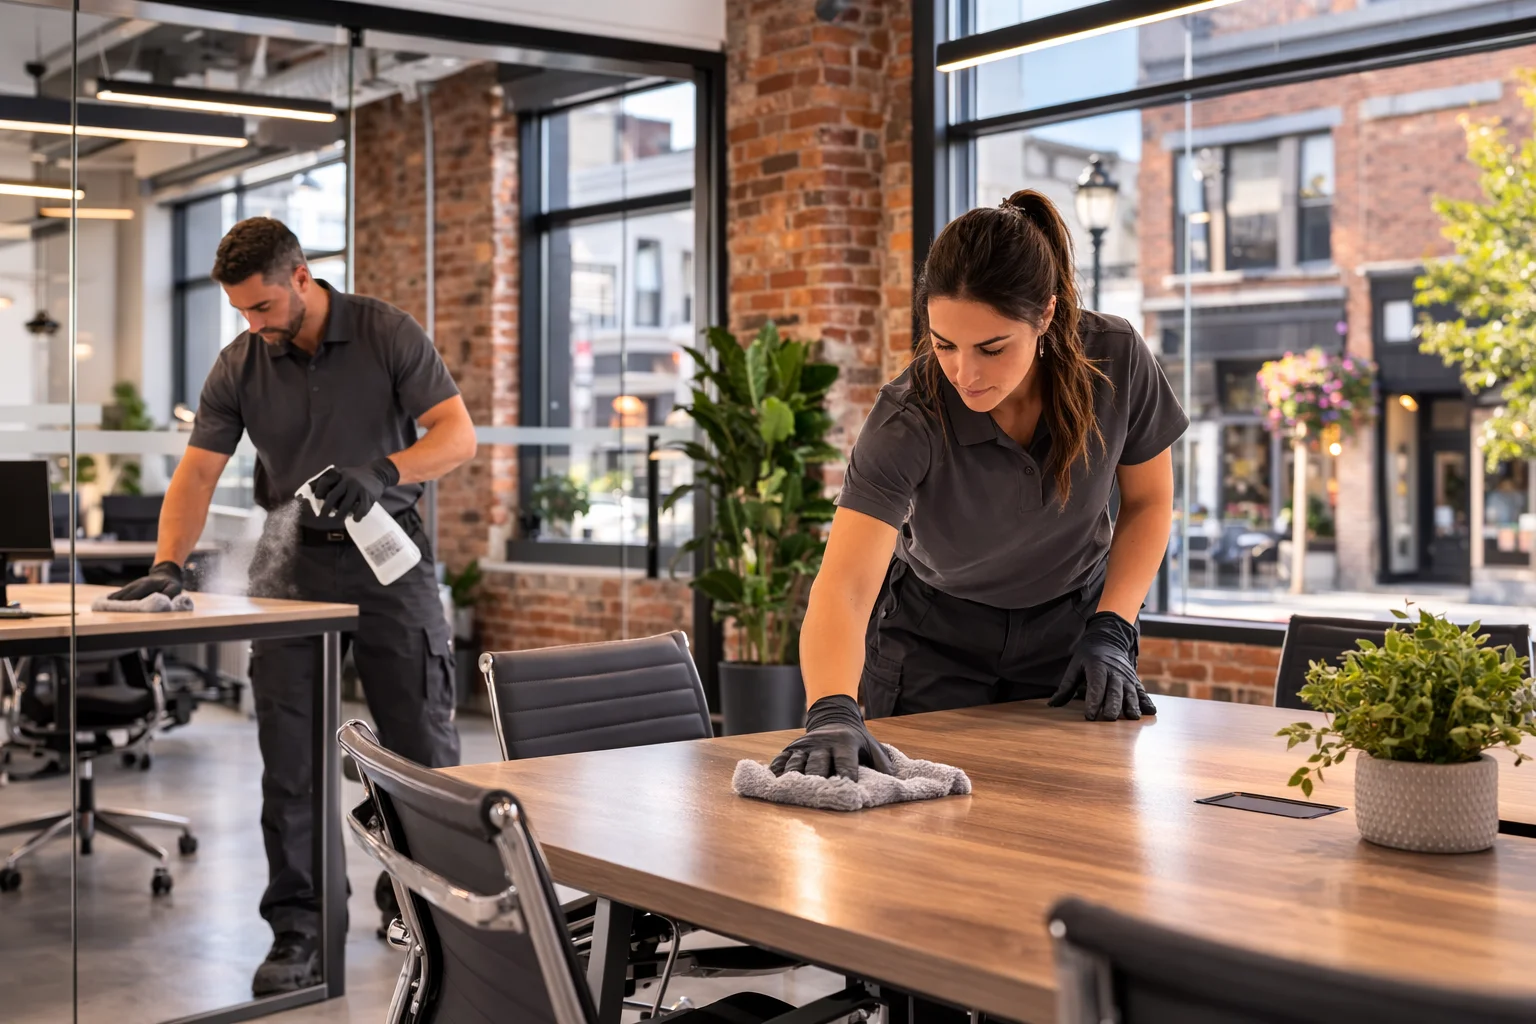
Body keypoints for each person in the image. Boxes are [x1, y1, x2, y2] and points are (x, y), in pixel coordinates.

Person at [109, 217, 476, 995]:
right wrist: (168, 563)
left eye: (265, 307)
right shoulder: (241, 363)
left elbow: (457, 436)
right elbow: (199, 473)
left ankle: (422, 909)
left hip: (390, 560)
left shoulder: (386, 333)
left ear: (302, 279)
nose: (256, 324)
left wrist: (384, 470)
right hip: (292, 569)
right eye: (243, 312)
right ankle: (302, 932)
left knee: (422, 753)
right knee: (292, 761)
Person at [771, 189, 1187, 780]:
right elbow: (844, 583)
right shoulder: (909, 415)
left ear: (1044, 315)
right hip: (935, 636)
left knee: (1078, 824)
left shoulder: (1115, 359)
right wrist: (832, 710)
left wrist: (1113, 628)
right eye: (944, 344)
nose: (965, 373)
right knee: (924, 840)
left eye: (991, 348)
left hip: (1073, 631)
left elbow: (1148, 503)